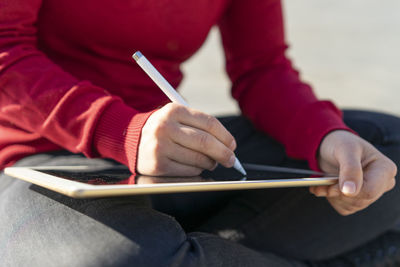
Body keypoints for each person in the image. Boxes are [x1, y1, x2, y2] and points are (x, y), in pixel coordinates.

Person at [1, 0, 400, 266]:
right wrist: (124, 132)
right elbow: (5, 49)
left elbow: (261, 68)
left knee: (384, 152)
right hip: (41, 156)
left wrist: (325, 135)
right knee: (123, 260)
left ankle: (187, 251)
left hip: (175, 158)